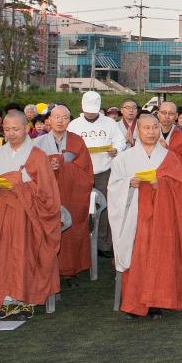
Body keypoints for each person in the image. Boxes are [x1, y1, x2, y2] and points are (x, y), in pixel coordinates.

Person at [0, 111, 63, 318]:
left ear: (25, 128)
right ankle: (6, 297)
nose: (11, 133)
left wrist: (20, 184)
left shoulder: (38, 156)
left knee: (24, 255)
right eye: (7, 129)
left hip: (29, 218)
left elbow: (48, 192)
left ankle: (25, 298)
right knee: (3, 255)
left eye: (16, 129)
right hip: (2, 216)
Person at [107, 112, 182, 320]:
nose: (151, 132)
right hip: (134, 217)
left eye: (155, 127)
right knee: (137, 258)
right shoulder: (125, 158)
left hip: (164, 218)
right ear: (137, 131)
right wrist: (129, 182)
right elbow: (113, 186)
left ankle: (157, 303)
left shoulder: (169, 157)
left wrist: (160, 184)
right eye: (146, 128)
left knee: (160, 258)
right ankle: (133, 304)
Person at [34, 104, 95, 283]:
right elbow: (29, 170)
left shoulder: (77, 141)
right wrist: (47, 166)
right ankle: (46, 268)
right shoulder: (38, 143)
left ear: (70, 120)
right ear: (49, 120)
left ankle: (70, 269)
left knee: (72, 229)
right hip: (46, 196)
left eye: (65, 118)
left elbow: (86, 173)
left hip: (72, 194)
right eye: (56, 117)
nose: (60, 121)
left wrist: (62, 164)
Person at [68, 91, 126, 258]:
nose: (90, 114)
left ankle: (103, 244)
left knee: (106, 207)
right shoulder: (74, 125)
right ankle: (81, 245)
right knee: (80, 207)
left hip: (104, 171)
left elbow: (120, 141)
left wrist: (116, 149)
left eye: (93, 110)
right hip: (80, 172)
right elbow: (69, 146)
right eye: (88, 110)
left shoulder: (109, 123)